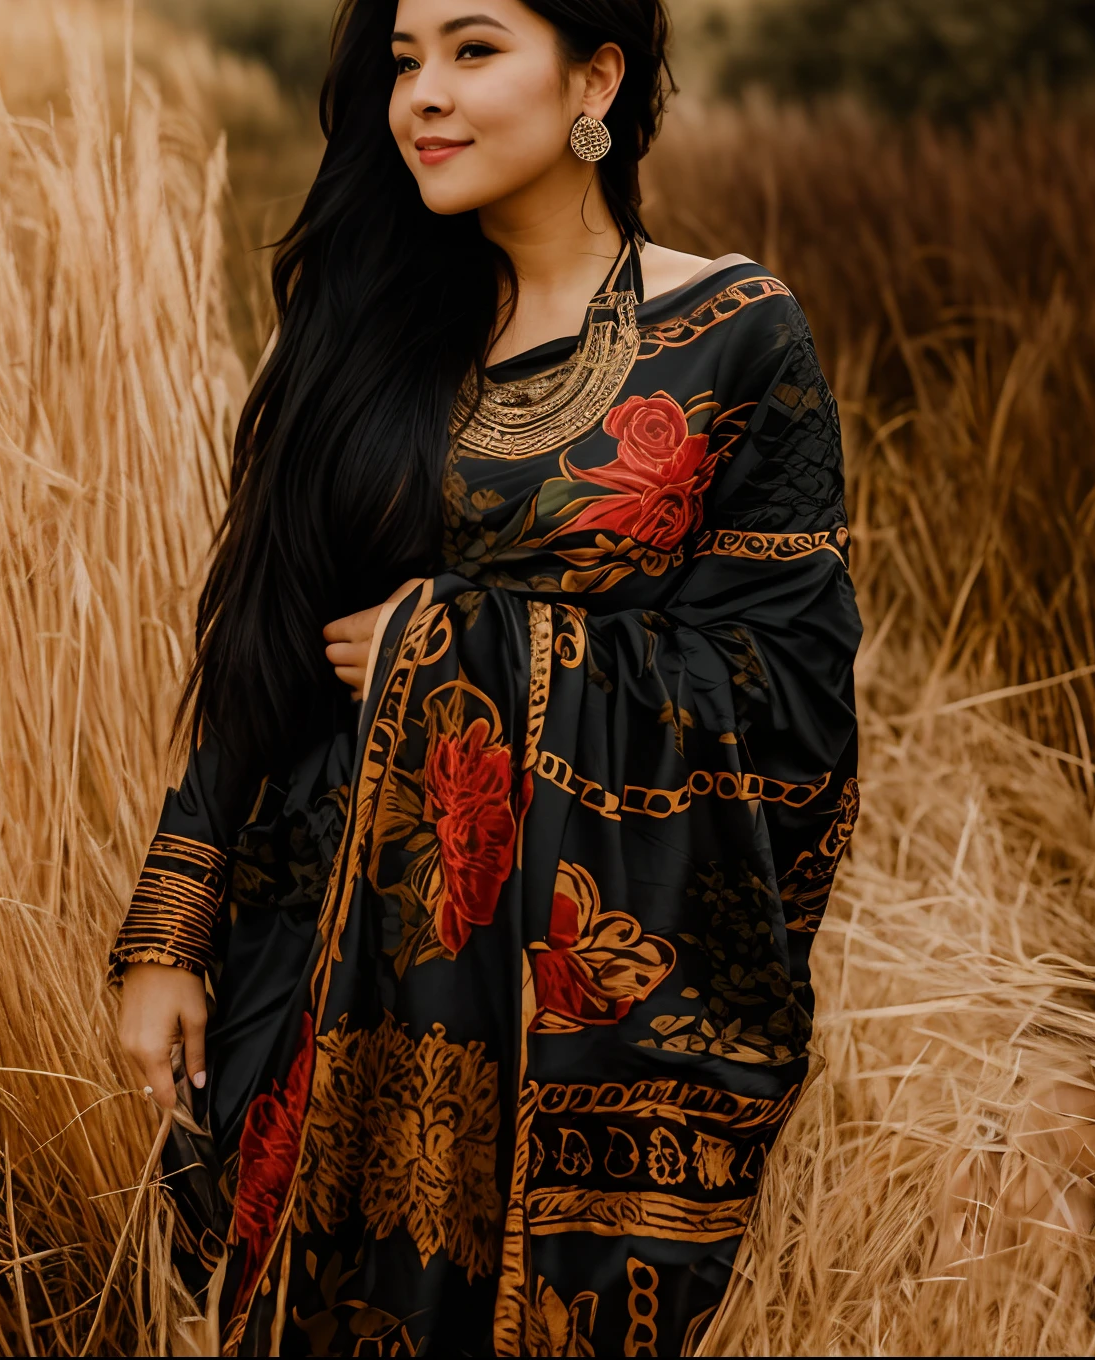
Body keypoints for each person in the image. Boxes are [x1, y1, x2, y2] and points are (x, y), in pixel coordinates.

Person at [114, 0, 860, 1351]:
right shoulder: (356, 330)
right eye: (404, 63)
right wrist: (173, 923)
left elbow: (790, 699)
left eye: (471, 51)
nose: (423, 100)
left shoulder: (737, 337)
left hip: (575, 1019)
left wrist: (458, 640)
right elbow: (266, 648)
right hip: (312, 955)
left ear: (595, 77)